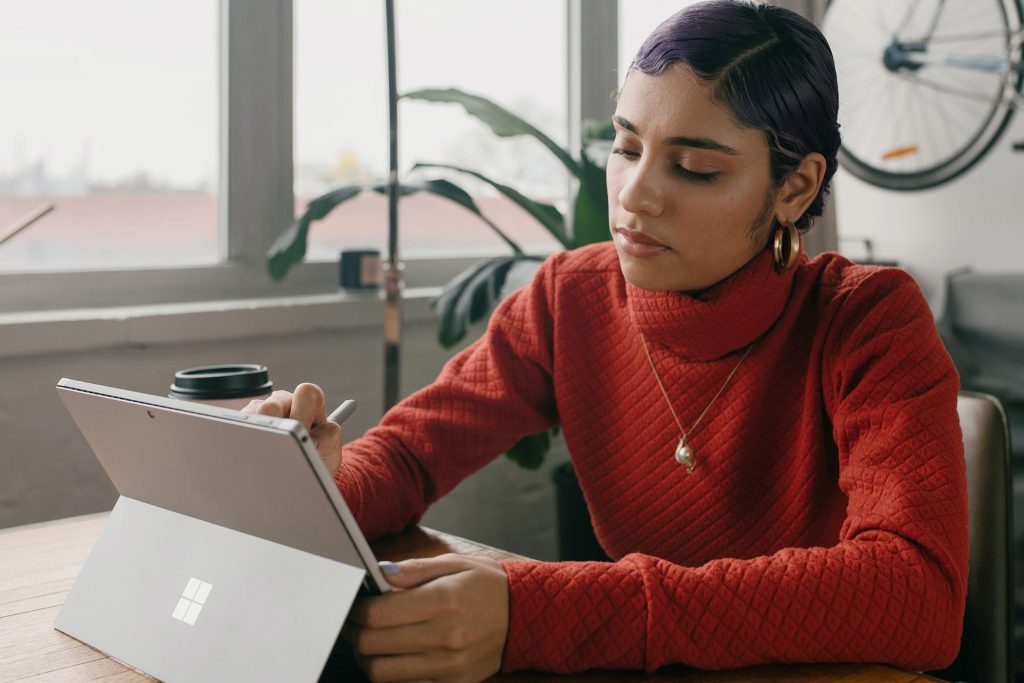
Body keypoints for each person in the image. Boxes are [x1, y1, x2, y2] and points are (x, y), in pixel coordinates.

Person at [246, 2, 968, 680]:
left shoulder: (869, 320)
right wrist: (311, 483)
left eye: (694, 167)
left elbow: (916, 588)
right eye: (625, 146)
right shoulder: (571, 297)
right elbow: (409, 452)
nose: (634, 194)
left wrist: (541, 610)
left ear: (795, 188)